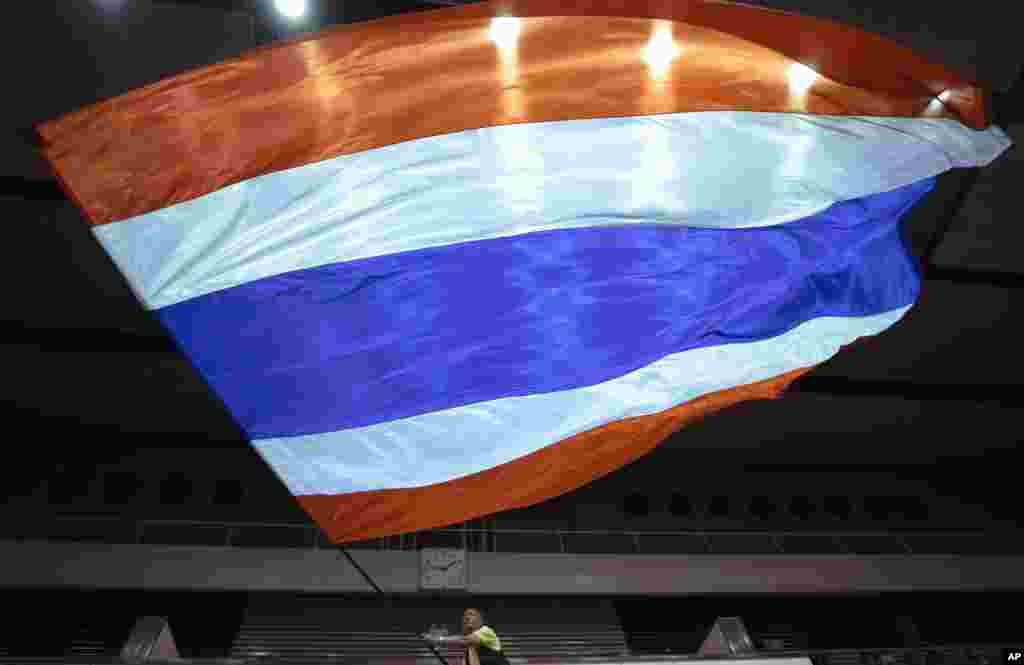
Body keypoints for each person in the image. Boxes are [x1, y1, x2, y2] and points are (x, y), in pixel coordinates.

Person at [422, 608, 510, 665]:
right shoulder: (469, 650)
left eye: (472, 614)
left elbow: (465, 639)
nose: (467, 617)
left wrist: (437, 639)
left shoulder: (486, 630)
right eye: (465, 616)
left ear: (480, 620)